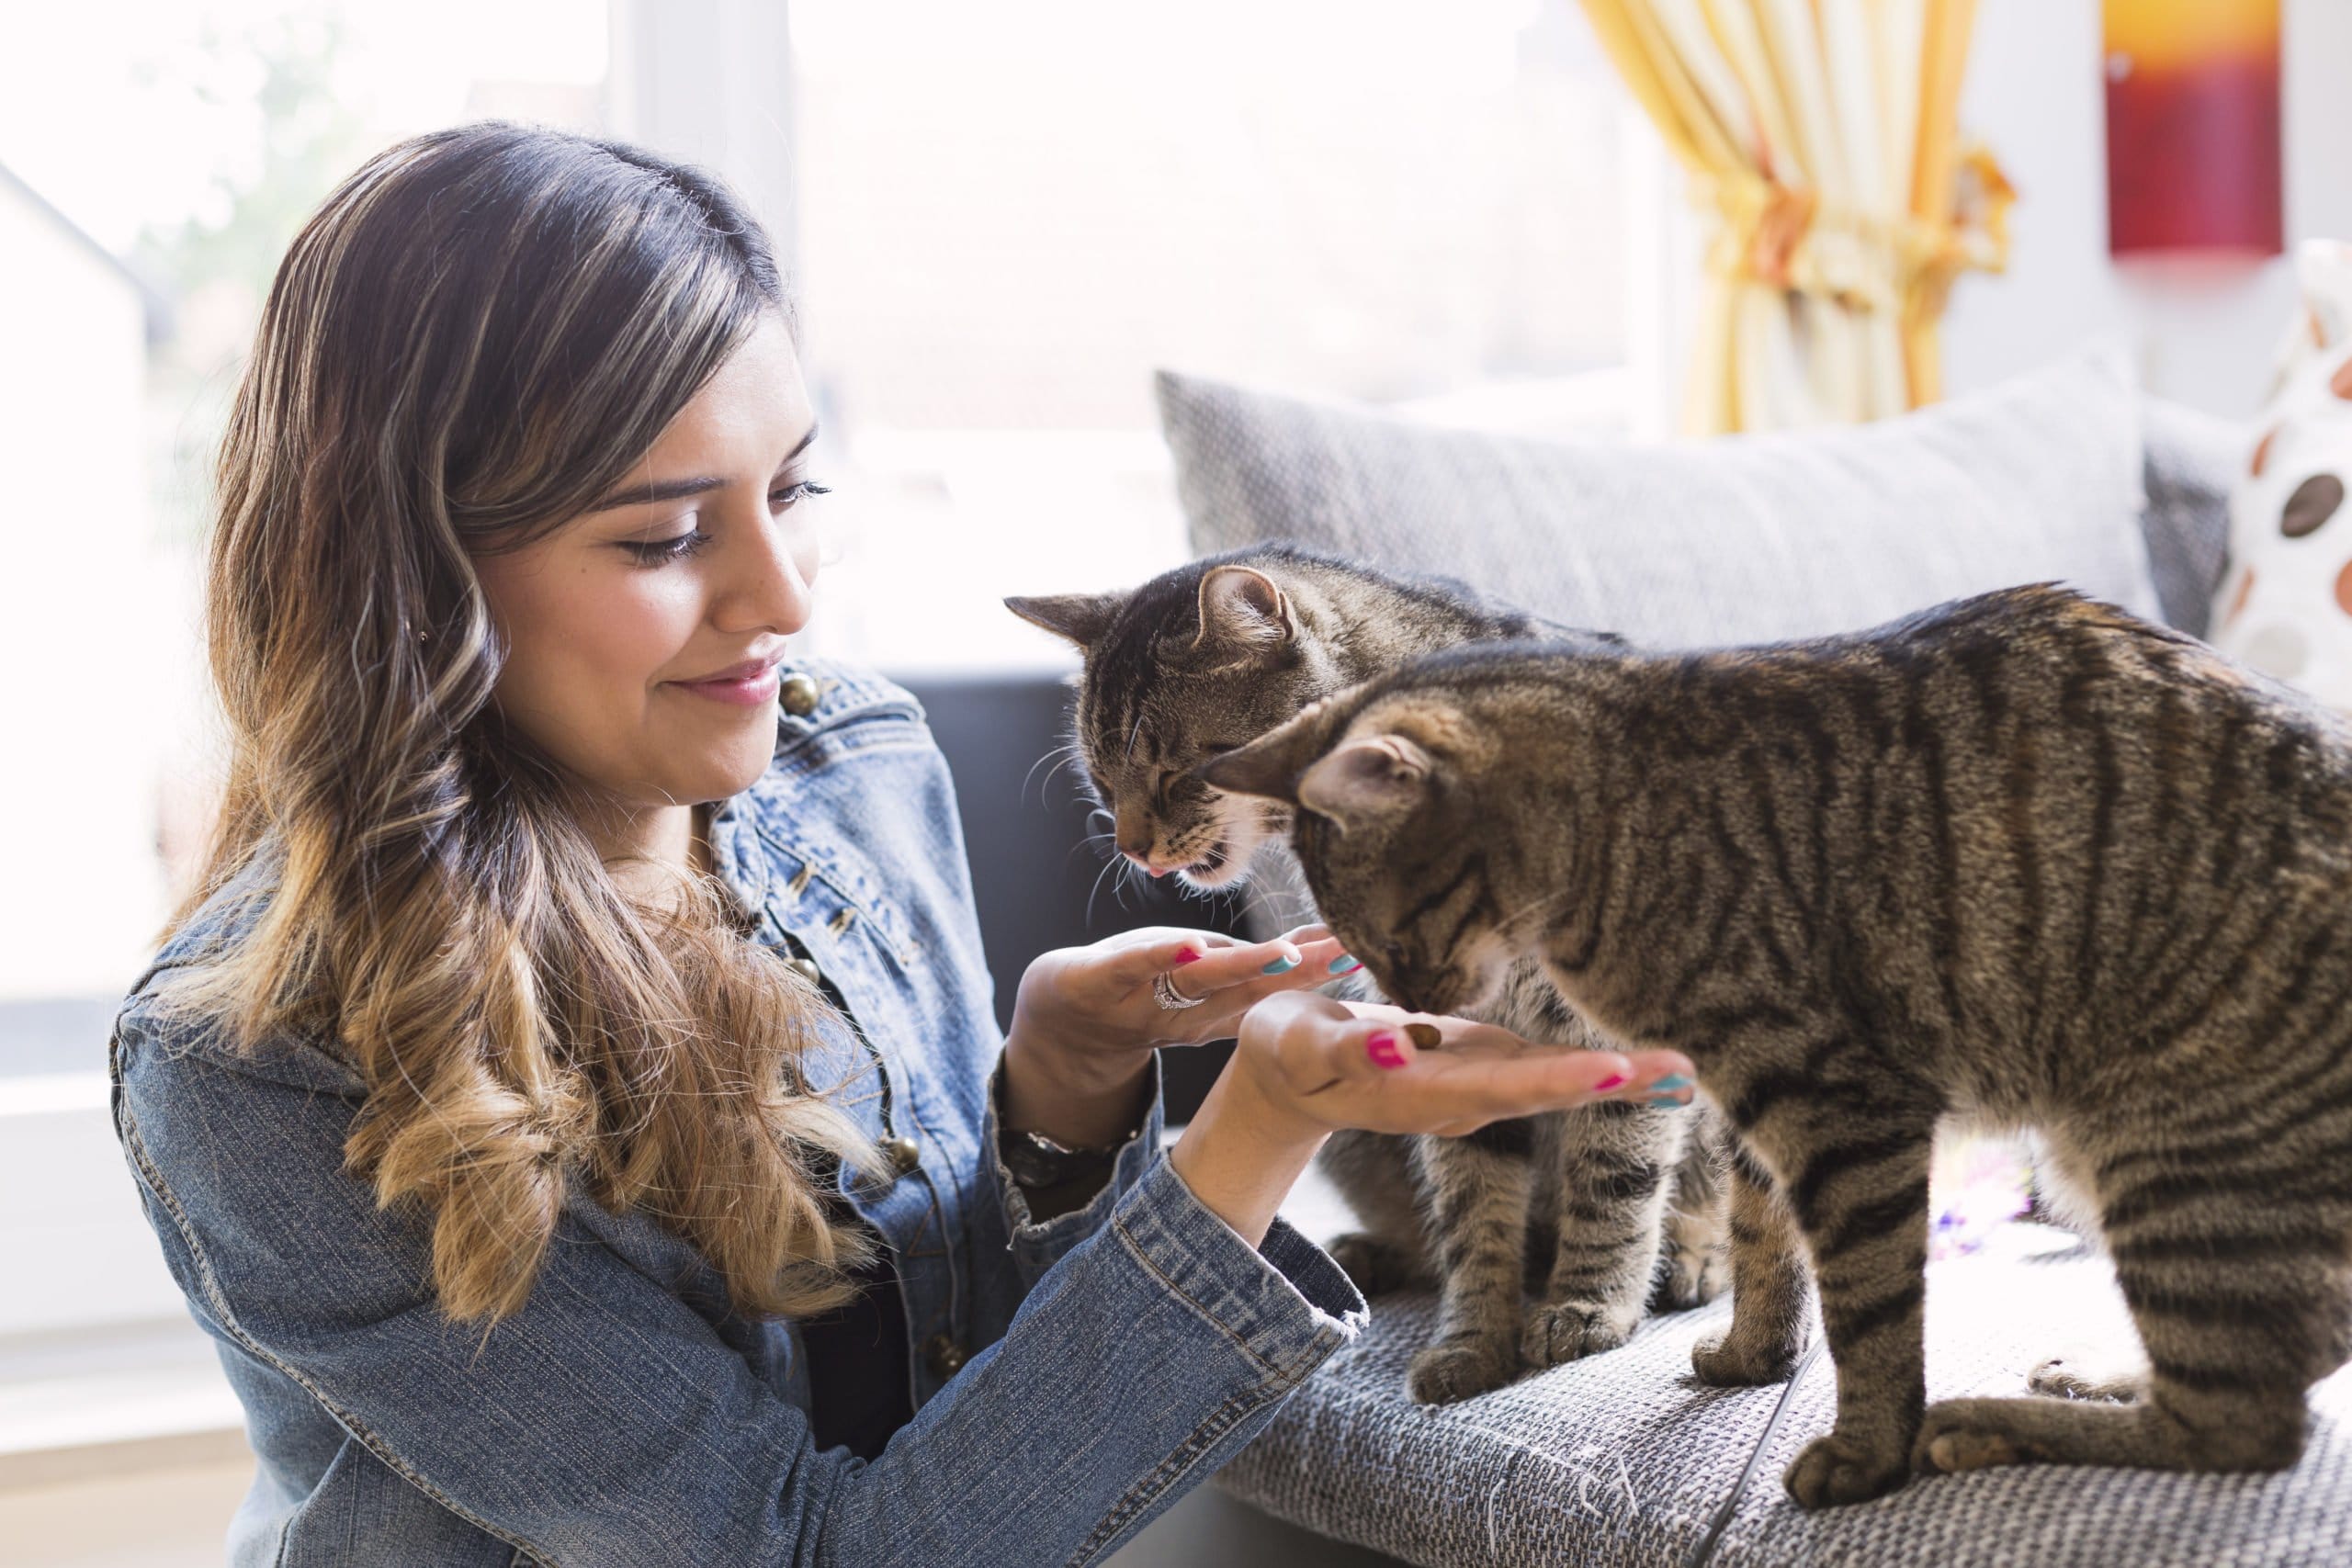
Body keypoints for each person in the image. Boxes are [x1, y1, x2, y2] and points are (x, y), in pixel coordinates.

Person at [107, 122, 1696, 1567]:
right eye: (664, 536)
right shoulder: (263, 1070)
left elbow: (969, 1404)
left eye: (792, 489)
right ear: (417, 580)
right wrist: (1248, 1141)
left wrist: (1057, 1106)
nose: (786, 599)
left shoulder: (848, 763)